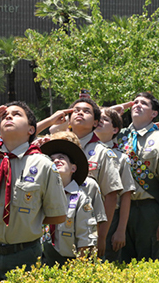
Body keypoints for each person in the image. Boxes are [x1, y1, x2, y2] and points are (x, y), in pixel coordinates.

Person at [0, 102, 67, 279]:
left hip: (26, 253)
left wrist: (27, 224)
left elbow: (57, 214)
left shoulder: (43, 165)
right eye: (5, 115)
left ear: (31, 130)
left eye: (17, 114)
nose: (8, 116)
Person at [117, 92, 159, 261]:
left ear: (154, 113)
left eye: (143, 103)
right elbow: (96, 120)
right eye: (135, 102)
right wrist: (117, 110)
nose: (137, 105)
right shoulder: (118, 137)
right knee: (119, 262)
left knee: (147, 261)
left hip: (148, 210)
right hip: (118, 208)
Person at [67, 97, 123, 257]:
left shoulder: (103, 152)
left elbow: (111, 196)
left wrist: (101, 236)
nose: (80, 113)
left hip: (88, 229)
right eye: (76, 111)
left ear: (95, 122)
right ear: (69, 120)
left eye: (86, 111)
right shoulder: (57, 147)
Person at [41, 135, 97, 264]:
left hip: (68, 261)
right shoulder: (41, 195)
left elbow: (85, 238)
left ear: (73, 168)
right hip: (42, 260)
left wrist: (81, 267)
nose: (56, 161)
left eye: (61, 158)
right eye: (51, 159)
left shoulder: (80, 198)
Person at [95, 107, 136, 262]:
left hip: (110, 218)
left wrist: (120, 230)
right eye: (98, 119)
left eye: (105, 120)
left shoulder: (120, 158)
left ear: (115, 129)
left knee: (106, 260)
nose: (100, 122)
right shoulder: (83, 150)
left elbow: (126, 196)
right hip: (84, 215)